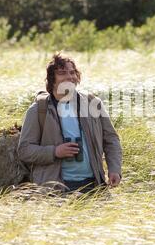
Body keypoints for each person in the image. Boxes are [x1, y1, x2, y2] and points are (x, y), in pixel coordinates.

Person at [17, 53, 122, 193]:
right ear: (52, 79)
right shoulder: (38, 110)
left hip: (95, 184)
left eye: (72, 72)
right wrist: (55, 152)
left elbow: (111, 139)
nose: (69, 77)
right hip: (55, 189)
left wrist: (114, 169)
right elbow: (24, 150)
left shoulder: (93, 104)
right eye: (62, 73)